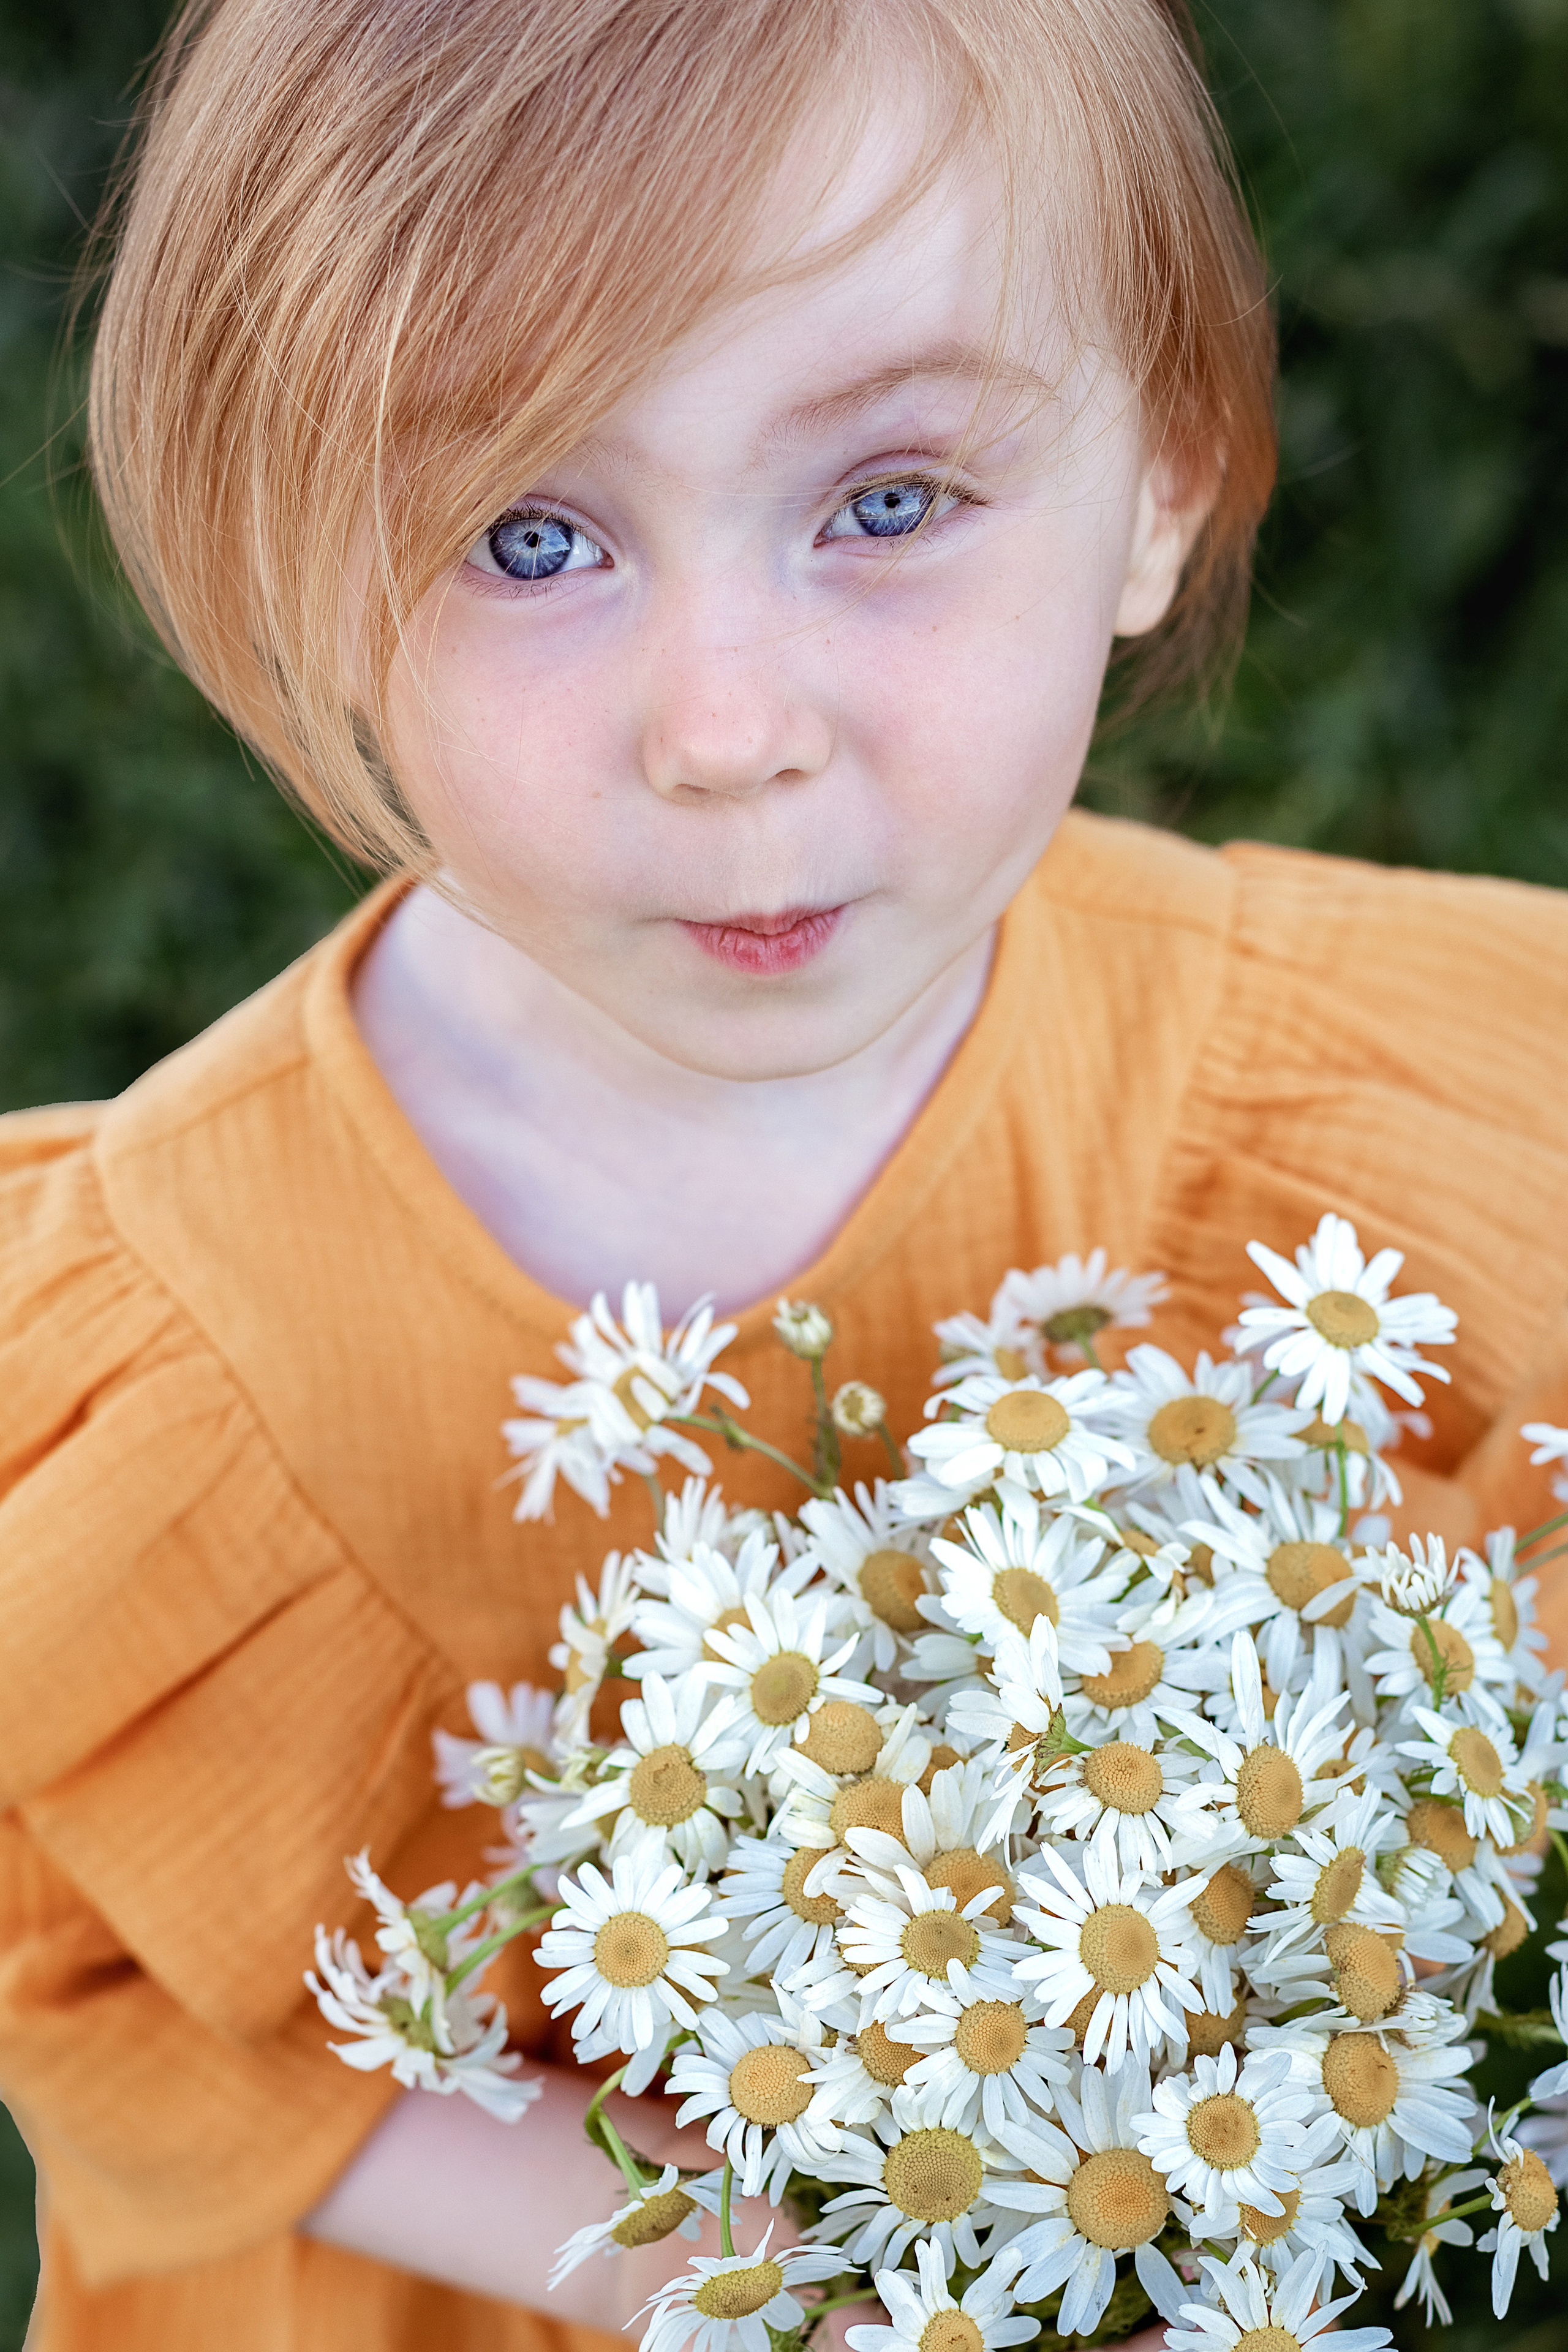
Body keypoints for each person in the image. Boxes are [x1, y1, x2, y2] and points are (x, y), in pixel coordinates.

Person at [2, 0, 1567, 2346]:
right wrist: (761, 2282)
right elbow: (86, 1970)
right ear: (297, 567)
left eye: (887, 501)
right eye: (529, 535)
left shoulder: (1401, 1118)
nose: (728, 730)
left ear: (1161, 475)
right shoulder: (161, 1357)